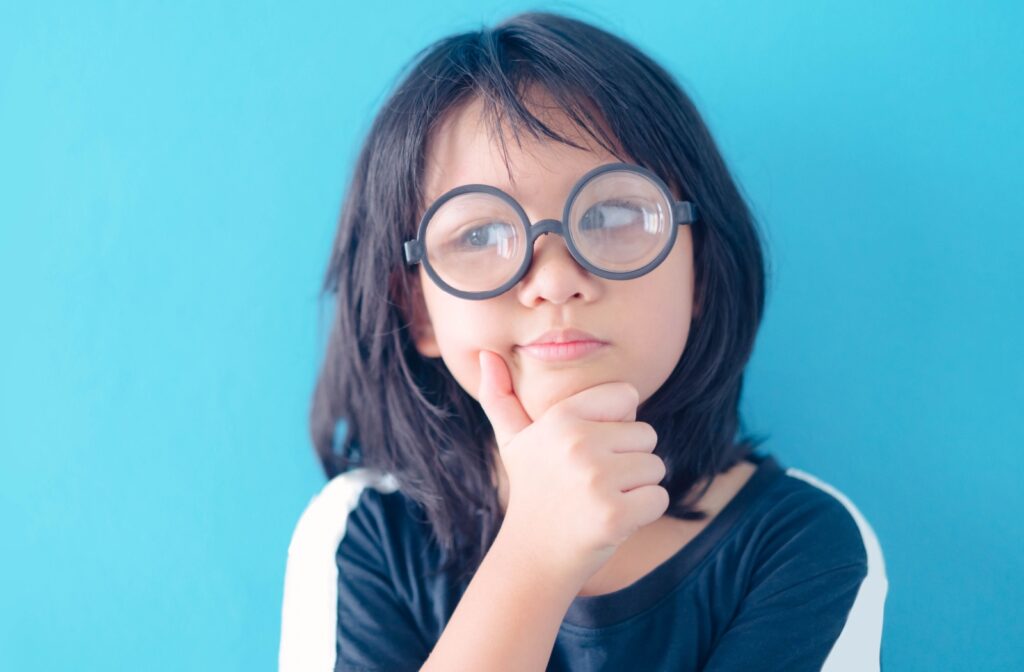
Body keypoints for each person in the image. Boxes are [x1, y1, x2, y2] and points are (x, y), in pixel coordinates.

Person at [279, 11, 888, 672]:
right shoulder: (363, 531)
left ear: (700, 274)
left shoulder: (804, 544)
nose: (556, 280)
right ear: (418, 309)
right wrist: (534, 556)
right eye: (479, 235)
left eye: (614, 215)